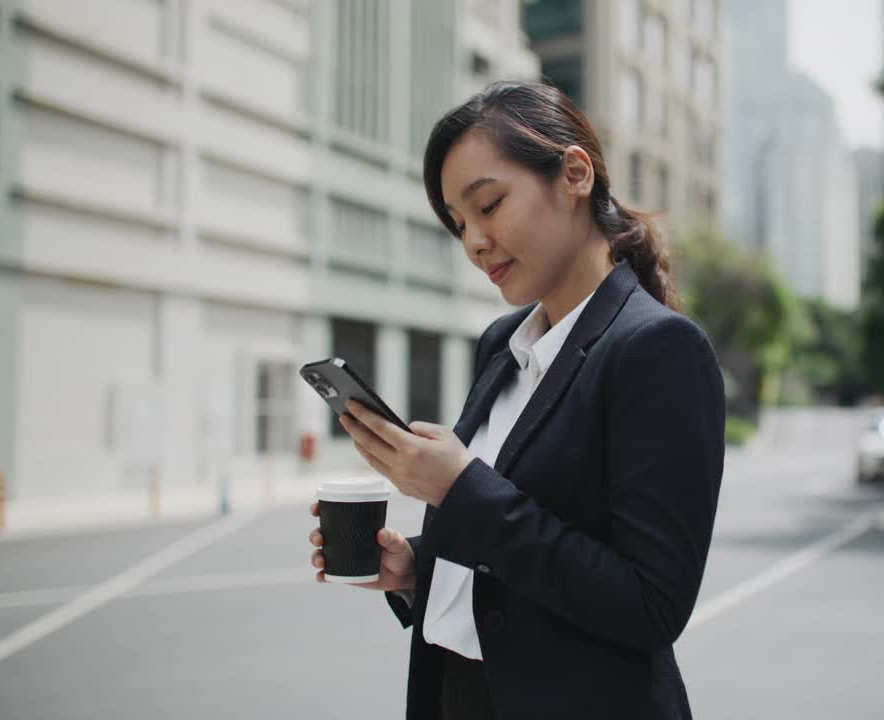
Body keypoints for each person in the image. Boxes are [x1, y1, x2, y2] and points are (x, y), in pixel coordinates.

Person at [308, 81, 725, 720]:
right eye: (459, 223)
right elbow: (507, 554)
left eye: (490, 204)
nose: (474, 241)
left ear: (575, 174)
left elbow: (651, 606)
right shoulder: (502, 345)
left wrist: (459, 488)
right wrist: (415, 567)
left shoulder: (658, 349)